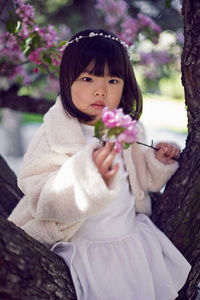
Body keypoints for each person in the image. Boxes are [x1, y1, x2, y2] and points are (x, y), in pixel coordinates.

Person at [8, 29, 191, 300]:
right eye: (87, 78)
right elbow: (40, 196)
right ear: (67, 80)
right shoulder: (53, 135)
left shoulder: (129, 129)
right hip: (85, 247)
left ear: (125, 85)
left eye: (113, 80)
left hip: (129, 240)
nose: (101, 90)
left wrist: (157, 160)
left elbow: (145, 181)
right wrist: (86, 176)